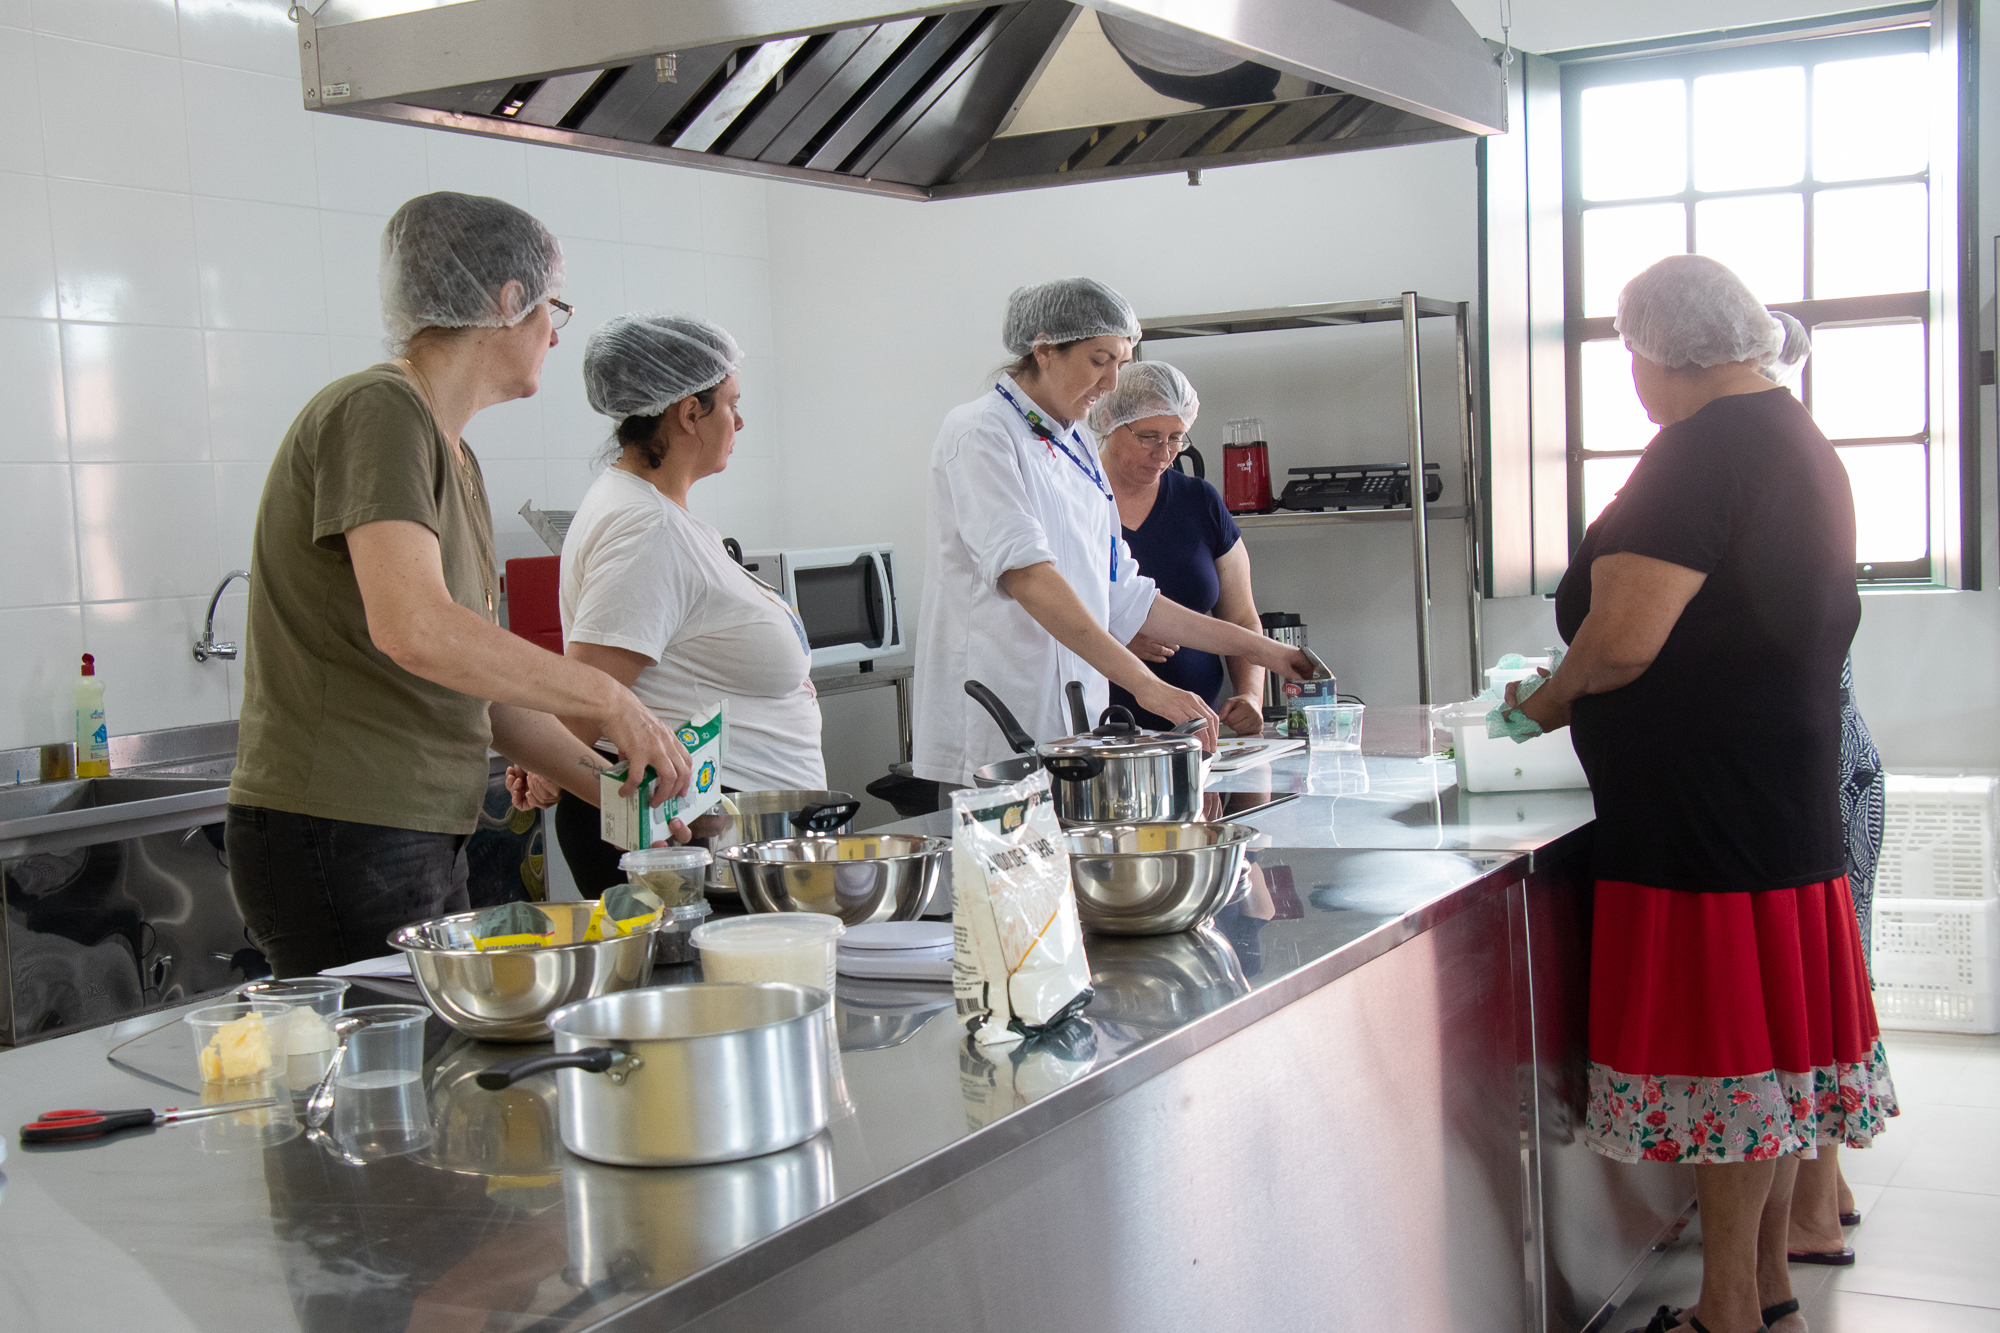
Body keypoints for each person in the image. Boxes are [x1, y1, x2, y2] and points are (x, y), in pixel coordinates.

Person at [1505, 254, 1894, 1333]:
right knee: (1764, 1072)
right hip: (1773, 801)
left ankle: (1722, 1307)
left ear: (1652, 352)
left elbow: (1622, 642)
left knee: (1725, 1071)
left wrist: (1536, 705)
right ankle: (1760, 1284)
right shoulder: (1790, 434)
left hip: (1703, 823)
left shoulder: (1696, 450)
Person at [226, 192, 691, 978]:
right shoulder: (379, 409)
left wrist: (623, 799)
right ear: (508, 301)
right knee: (391, 1080)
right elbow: (416, 627)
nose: (553, 332)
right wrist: (610, 699)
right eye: (553, 308)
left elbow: (485, 695)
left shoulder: (453, 453)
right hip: (341, 824)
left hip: (407, 828)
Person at [911, 277, 1314, 787]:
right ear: (1045, 351)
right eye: (1100, 360)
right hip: (995, 721)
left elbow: (1127, 595)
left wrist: (1271, 654)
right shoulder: (980, 432)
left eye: (1121, 364)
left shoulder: (1078, 445)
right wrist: (1146, 685)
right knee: (1011, 863)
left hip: (1075, 726)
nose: (1111, 383)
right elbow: (1029, 578)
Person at [531, 313, 824, 895]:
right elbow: (589, 691)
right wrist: (545, 761)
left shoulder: (653, 512)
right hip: (686, 836)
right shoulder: (647, 528)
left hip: (719, 827)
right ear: (690, 412)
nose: (740, 421)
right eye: (731, 404)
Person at [1088, 361, 1267, 736]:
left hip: (1196, 734)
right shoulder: (1081, 501)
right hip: (1102, 733)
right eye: (1149, 436)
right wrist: (1116, 633)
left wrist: (1251, 696)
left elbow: (1241, 618)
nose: (1165, 452)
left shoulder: (1199, 501)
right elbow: (1051, 613)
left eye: (1176, 437)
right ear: (1109, 421)